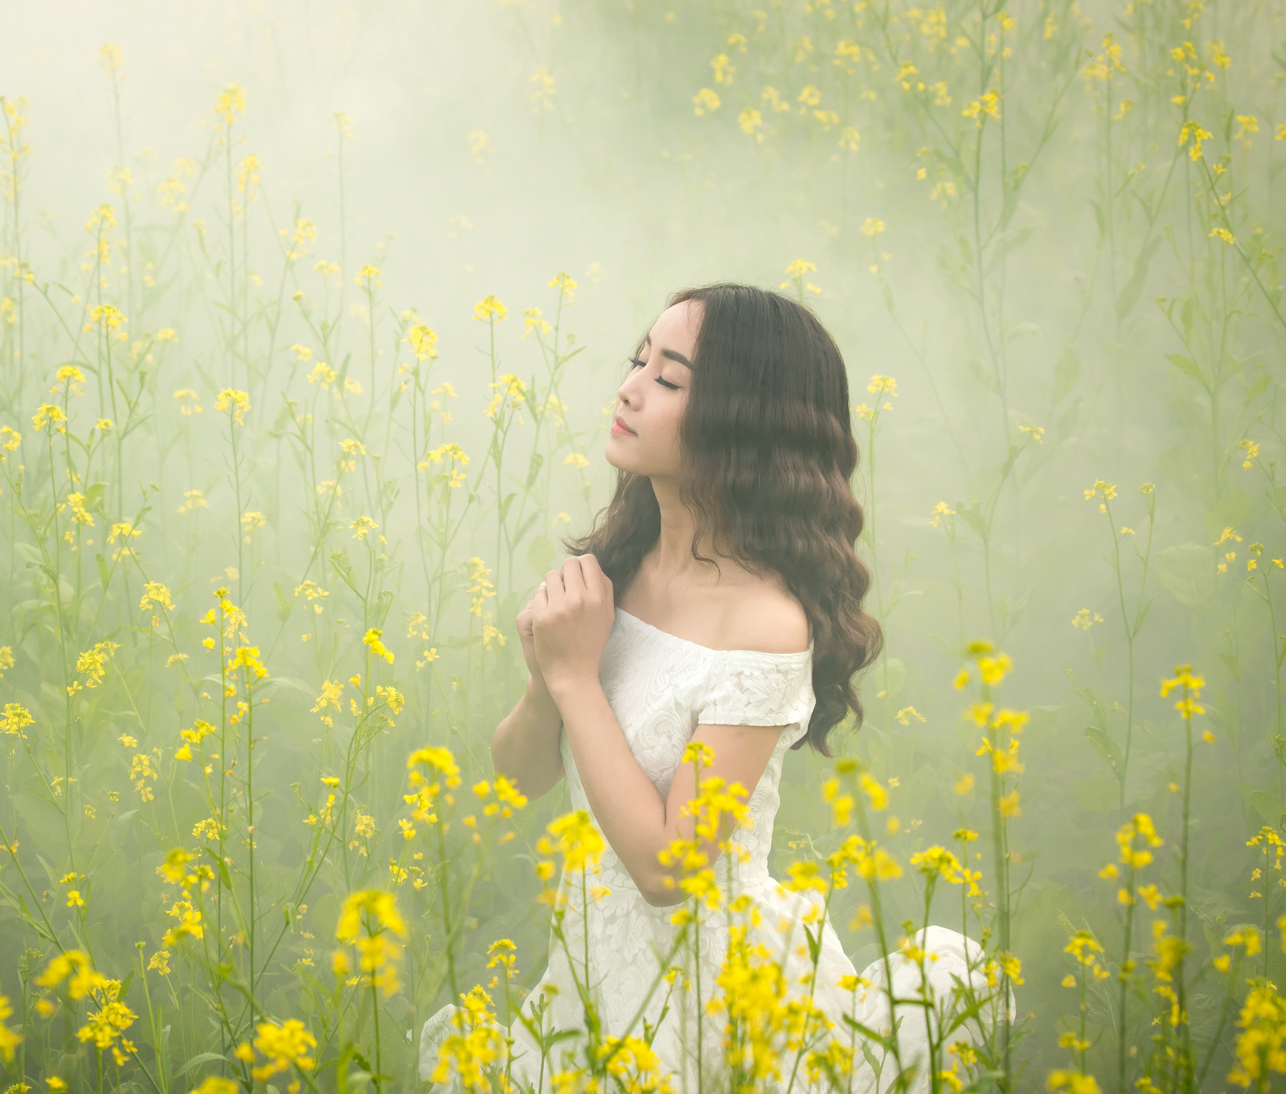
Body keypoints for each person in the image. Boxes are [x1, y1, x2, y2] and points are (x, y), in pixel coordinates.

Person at [417, 284, 1010, 1092]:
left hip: (713, 1000)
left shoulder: (765, 624)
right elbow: (522, 774)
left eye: (669, 379)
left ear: (744, 422)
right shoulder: (619, 569)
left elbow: (670, 870)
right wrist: (545, 675)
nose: (628, 386)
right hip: (591, 977)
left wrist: (573, 675)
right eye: (638, 361)